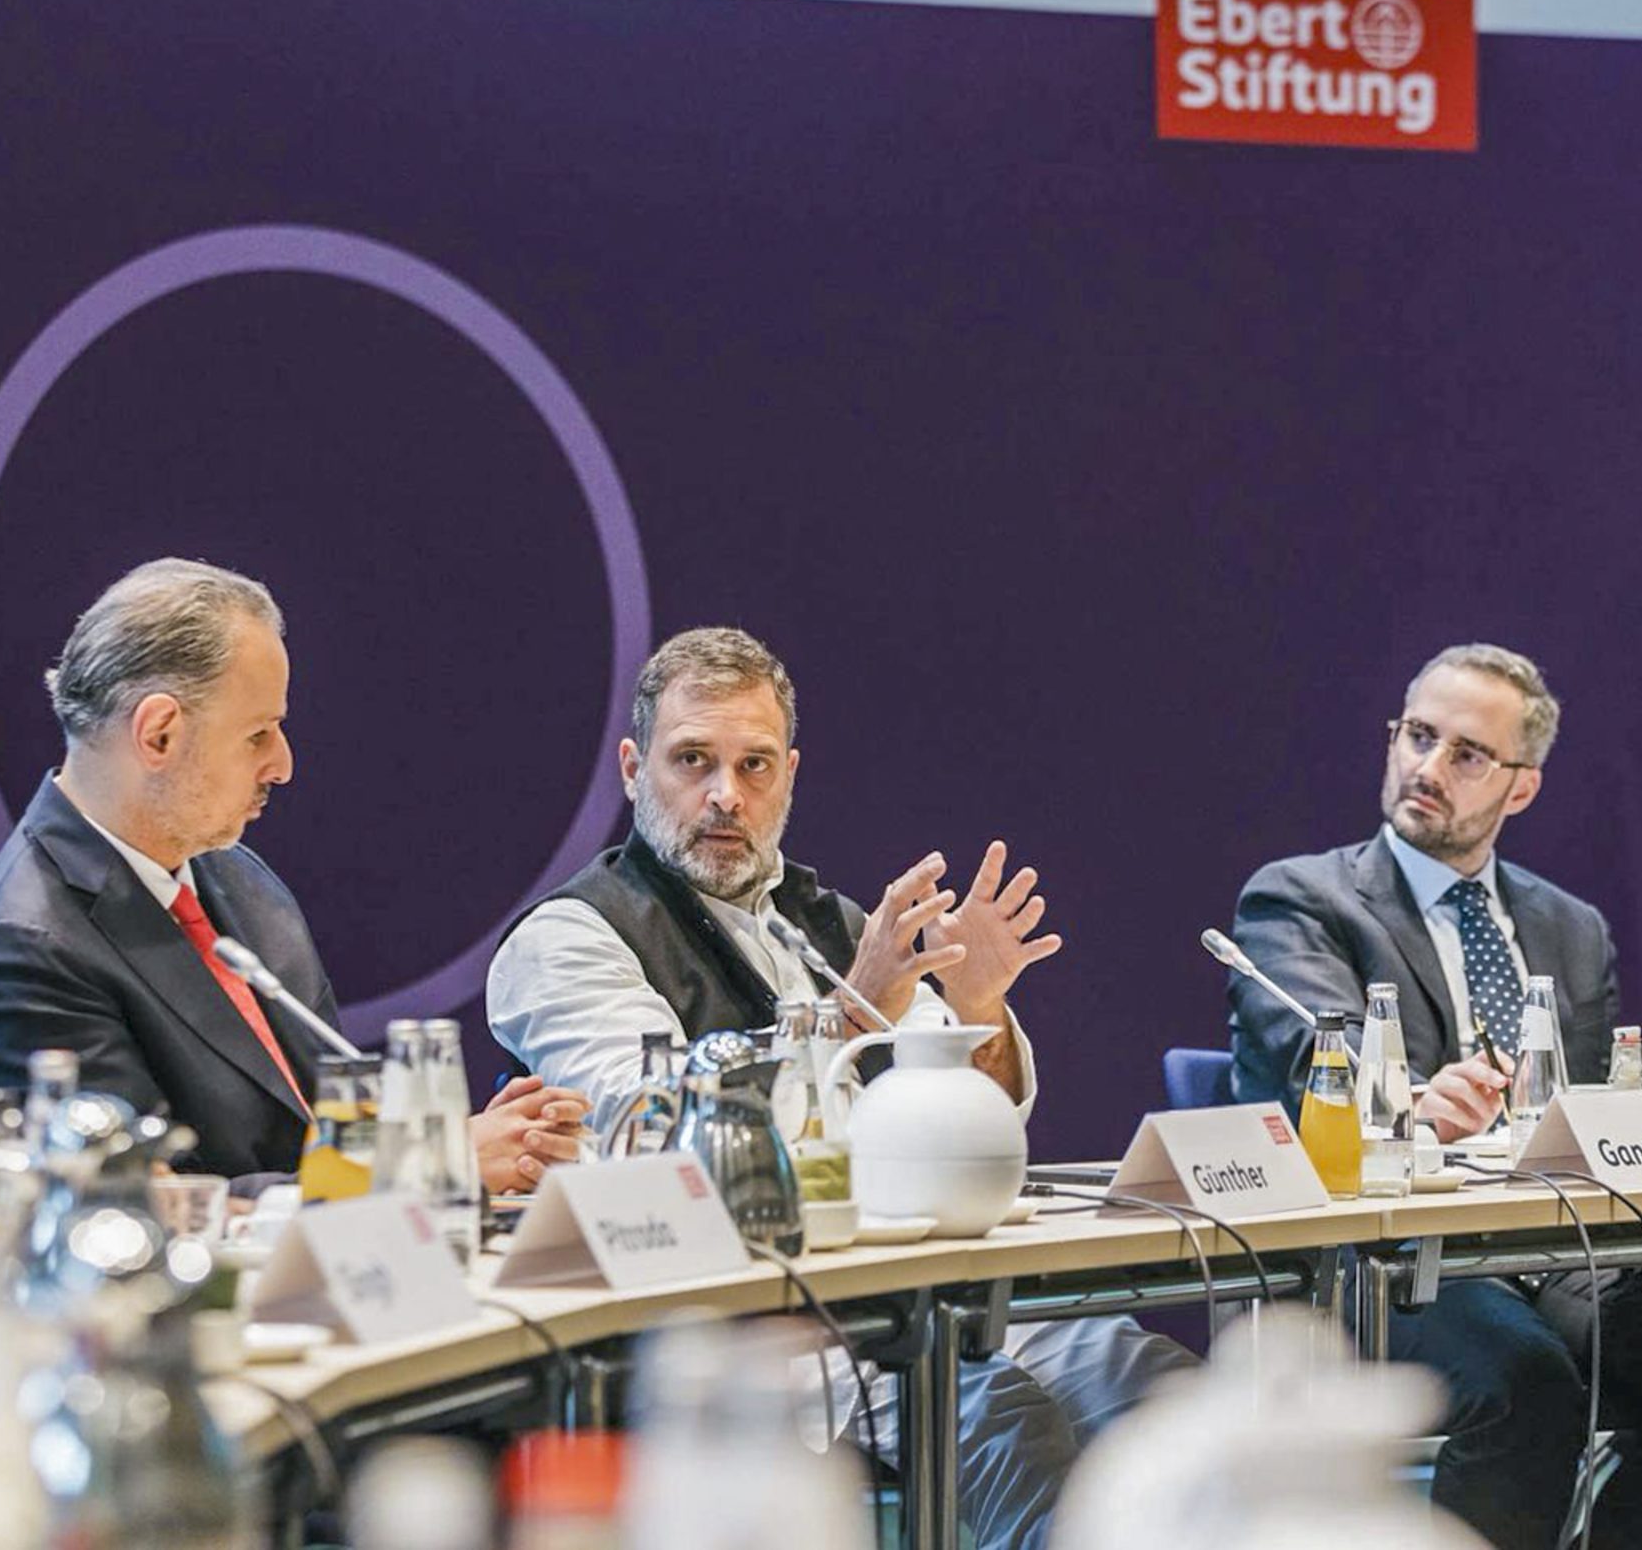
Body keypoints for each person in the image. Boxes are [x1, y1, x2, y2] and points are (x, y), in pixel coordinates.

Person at [490, 626, 1191, 1550]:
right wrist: (853, 1014)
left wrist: (976, 1007)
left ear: (789, 775)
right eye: (692, 760)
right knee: (1001, 1420)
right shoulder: (570, 938)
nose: (725, 795)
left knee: (1159, 1389)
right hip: (736, 1339)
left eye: (754, 765)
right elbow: (655, 1124)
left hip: (911, 1297)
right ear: (631, 769)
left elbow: (967, 1122)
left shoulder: (834, 927)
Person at [1229, 643, 1642, 1550]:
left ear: (1521, 788)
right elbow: (1312, 1058)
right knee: (1524, 1381)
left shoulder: (1572, 928)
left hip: (1553, 1255)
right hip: (1381, 1262)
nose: (1428, 767)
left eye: (1468, 754)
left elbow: (1582, 1122)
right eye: (1417, 735)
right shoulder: (1303, 900)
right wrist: (1408, 1104)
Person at [0, 558, 583, 1188]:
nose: (283, 765)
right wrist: (426, 1165)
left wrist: (453, 1143)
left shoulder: (240, 878)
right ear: (158, 735)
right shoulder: (20, 949)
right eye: (258, 734)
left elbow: (326, 1131)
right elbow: (141, 1205)